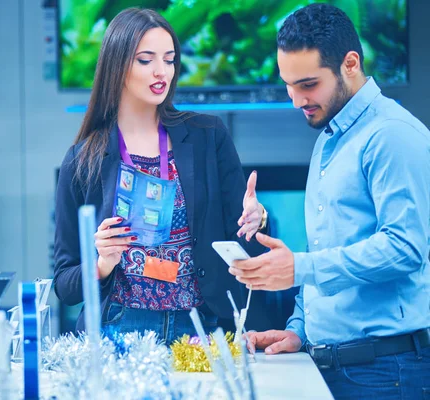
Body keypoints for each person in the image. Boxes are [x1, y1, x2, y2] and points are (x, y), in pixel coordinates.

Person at [229, 4, 430, 399]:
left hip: (386, 371)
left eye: (307, 84)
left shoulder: (392, 134)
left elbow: (406, 248)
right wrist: (298, 330)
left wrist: (299, 267)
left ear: (350, 63)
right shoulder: (328, 140)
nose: (295, 100)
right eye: (288, 86)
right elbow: (327, 250)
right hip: (332, 365)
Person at [53, 7, 272, 345]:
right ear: (116, 65)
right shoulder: (83, 160)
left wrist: (256, 221)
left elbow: (245, 245)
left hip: (200, 327)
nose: (161, 72)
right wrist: (101, 264)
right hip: (119, 328)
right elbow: (64, 285)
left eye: (169, 60)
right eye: (146, 60)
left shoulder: (207, 136)